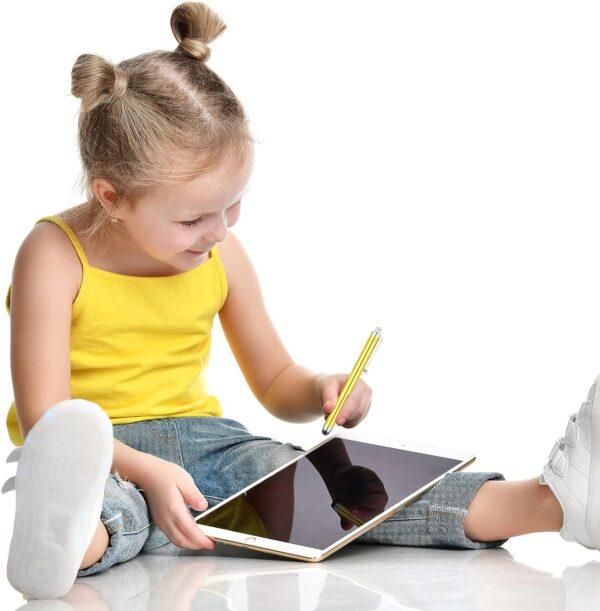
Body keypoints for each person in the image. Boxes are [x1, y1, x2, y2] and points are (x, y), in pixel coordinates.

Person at [2, 1, 596, 601]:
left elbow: (274, 380)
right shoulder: (53, 255)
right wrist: (147, 470)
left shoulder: (219, 253)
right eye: (192, 219)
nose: (218, 231)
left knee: (329, 484)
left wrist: (319, 390)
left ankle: (550, 502)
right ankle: (62, 541)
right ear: (111, 197)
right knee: (110, 507)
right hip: (97, 453)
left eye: (231, 205)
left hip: (209, 444)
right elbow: (46, 419)